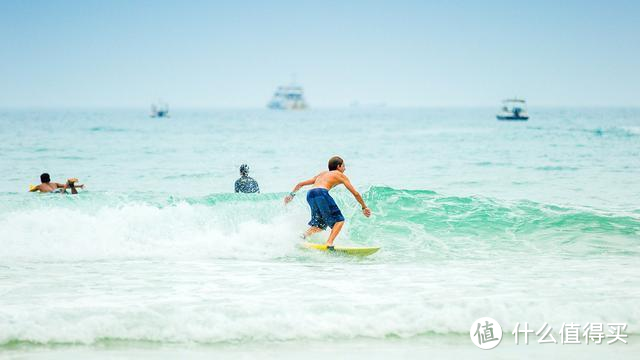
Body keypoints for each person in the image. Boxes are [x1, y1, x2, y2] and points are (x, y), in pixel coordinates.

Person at [284, 156, 371, 248]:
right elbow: (355, 193)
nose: (345, 169)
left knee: (320, 225)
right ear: (338, 166)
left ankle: (302, 237)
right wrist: (364, 207)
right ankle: (329, 243)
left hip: (310, 194)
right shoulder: (339, 174)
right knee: (339, 220)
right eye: (343, 166)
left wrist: (291, 195)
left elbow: (300, 184)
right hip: (321, 193)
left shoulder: (323, 174)